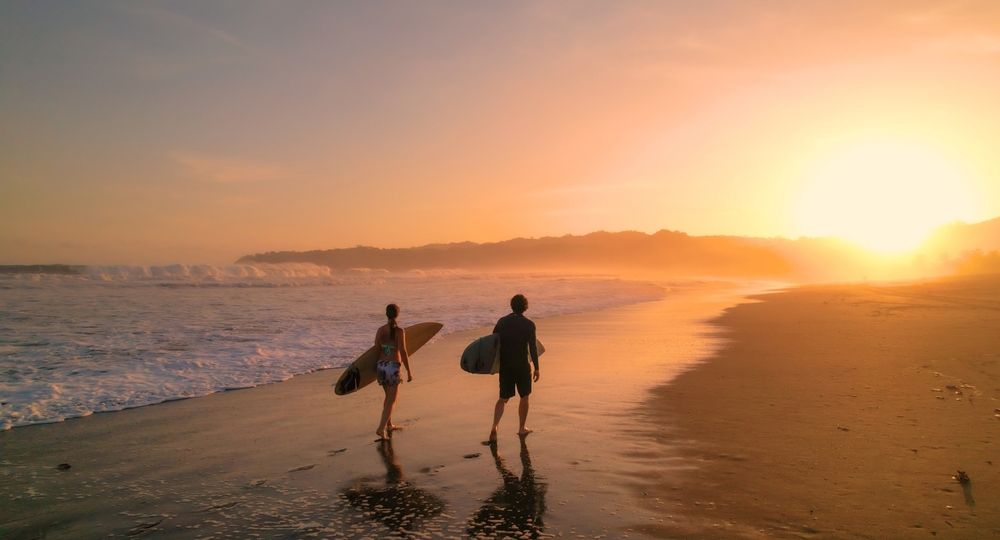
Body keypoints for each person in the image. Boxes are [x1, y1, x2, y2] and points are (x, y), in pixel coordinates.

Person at [487, 294, 539, 442]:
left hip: (506, 366)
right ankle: (521, 428)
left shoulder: (502, 322)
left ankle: (494, 426)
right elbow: (533, 347)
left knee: (503, 398)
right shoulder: (529, 324)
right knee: (524, 396)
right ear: (525, 307)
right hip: (522, 365)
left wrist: (493, 365)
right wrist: (537, 368)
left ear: (511, 306)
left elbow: (494, 342)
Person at [375, 303, 412, 440]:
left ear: (386, 314)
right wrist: (409, 371)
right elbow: (403, 351)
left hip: (381, 366)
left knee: (388, 397)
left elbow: (376, 348)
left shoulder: (380, 330)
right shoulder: (399, 331)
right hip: (392, 367)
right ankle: (381, 428)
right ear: (398, 315)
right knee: (392, 400)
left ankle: (389, 424)